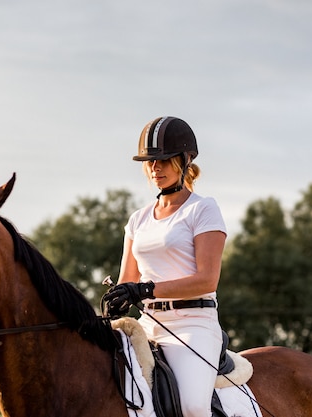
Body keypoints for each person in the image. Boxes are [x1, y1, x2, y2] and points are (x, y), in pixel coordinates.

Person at [102, 116, 227, 417]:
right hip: (147, 326)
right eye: (150, 162)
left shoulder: (202, 209)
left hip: (193, 324)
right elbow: (128, 279)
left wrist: (145, 289)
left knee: (194, 408)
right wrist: (118, 298)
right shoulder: (138, 219)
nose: (155, 169)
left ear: (184, 160)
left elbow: (207, 280)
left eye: (163, 160)